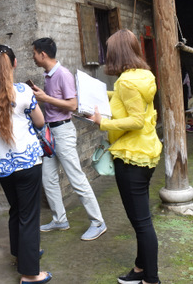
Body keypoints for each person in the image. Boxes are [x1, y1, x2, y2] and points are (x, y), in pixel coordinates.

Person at [89, 29, 163, 284]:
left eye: (109, 51)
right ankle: (141, 269)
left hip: (131, 157)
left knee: (142, 223)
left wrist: (102, 123)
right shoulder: (143, 76)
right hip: (145, 152)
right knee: (142, 220)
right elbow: (126, 99)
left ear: (116, 53)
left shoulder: (126, 82)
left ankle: (151, 279)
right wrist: (102, 96)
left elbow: (136, 120)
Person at [0, 45, 52, 284]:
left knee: (17, 209)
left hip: (1, 166)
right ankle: (30, 274)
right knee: (29, 216)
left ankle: (21, 254)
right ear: (15, 63)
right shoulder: (23, 91)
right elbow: (40, 122)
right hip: (27, 162)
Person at [31, 37, 107, 241]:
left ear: (43, 54)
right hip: (50, 132)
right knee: (48, 178)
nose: (33, 57)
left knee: (75, 177)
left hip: (63, 131)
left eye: (34, 53)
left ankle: (98, 222)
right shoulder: (48, 75)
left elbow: (73, 105)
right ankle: (59, 219)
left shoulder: (63, 74)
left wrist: (45, 98)